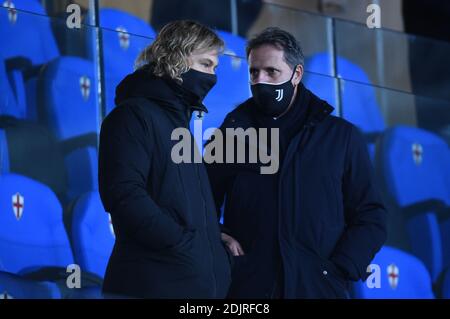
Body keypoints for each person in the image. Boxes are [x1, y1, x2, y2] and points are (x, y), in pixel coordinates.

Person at [205, 27, 387, 298]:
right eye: (254, 72)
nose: (260, 81)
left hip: (318, 290)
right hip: (250, 289)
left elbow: (371, 214)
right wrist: (218, 237)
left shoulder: (341, 137)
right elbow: (199, 200)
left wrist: (338, 269)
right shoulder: (231, 133)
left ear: (297, 74)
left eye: (271, 72)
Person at [98, 20, 232, 299]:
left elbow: (179, 206)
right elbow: (123, 195)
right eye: (206, 65)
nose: (213, 76)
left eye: (215, 68)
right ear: (178, 60)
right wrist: (183, 244)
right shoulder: (132, 116)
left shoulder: (181, 128)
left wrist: (213, 238)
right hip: (150, 285)